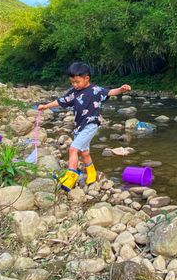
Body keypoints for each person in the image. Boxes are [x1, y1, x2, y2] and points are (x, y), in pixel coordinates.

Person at [38, 62, 131, 191]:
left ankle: (70, 178)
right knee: (84, 152)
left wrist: (121, 90)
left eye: (77, 82)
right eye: (72, 82)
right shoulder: (73, 92)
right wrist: (46, 106)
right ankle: (92, 173)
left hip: (90, 125)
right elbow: (60, 101)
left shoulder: (95, 90)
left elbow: (110, 92)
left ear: (86, 78)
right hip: (79, 126)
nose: (75, 85)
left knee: (73, 149)